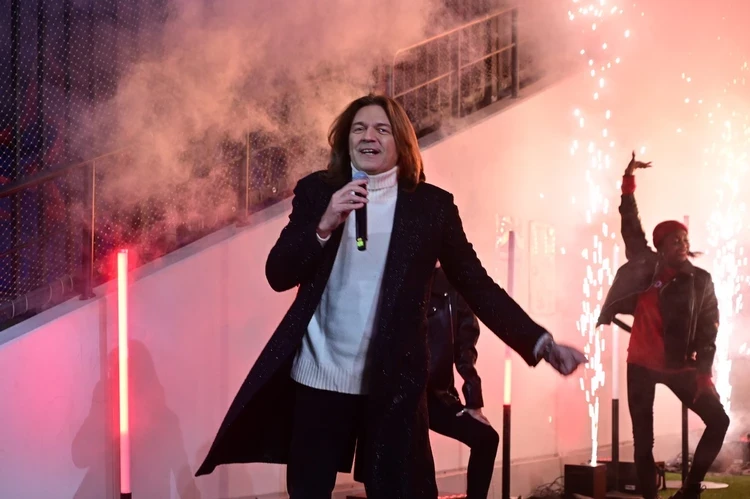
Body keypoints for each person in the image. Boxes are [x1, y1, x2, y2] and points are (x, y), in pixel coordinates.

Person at [196, 94, 587, 499]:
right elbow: (278, 274)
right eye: (359, 129)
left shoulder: (431, 208)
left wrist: (541, 343)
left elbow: (477, 285)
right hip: (318, 378)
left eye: (381, 129)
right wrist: (324, 224)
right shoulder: (317, 192)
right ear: (346, 140)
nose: (369, 136)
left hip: (392, 385)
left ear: (401, 142)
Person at [598, 153, 730, 499]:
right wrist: (628, 182)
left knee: (719, 421)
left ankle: (690, 489)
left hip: (678, 365)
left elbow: (709, 331)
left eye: (685, 240)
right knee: (643, 442)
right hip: (641, 364)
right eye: (675, 240)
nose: (682, 245)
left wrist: (703, 374)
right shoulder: (646, 266)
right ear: (660, 246)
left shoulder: (700, 281)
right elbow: (630, 225)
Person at [427, 263, 498, 499]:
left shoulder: (452, 284)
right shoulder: (397, 274)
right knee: (418, 472)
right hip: (396, 392)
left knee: (487, 438)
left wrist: (473, 401)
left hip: (434, 393)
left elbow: (465, 348)